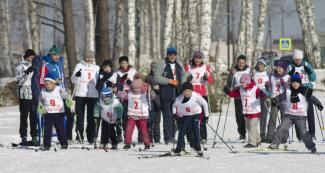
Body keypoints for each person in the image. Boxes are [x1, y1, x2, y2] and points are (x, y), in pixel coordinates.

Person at [268, 73, 322, 153]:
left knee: (303, 133)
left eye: (297, 83)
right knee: (281, 128)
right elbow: (281, 97)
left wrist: (318, 104)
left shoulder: (304, 91)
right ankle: (275, 143)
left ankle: (312, 147)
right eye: (293, 83)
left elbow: (312, 98)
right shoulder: (288, 91)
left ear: (300, 83)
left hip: (300, 116)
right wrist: (275, 100)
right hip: (289, 115)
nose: (295, 85)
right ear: (291, 83)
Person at [39, 45, 75, 142]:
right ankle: (50, 138)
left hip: (63, 92)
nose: (57, 57)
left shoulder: (60, 63)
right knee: (56, 118)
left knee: (70, 115)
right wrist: (54, 81)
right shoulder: (46, 65)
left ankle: (68, 137)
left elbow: (63, 76)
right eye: (55, 55)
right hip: (53, 95)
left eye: (58, 55)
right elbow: (42, 81)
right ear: (50, 55)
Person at [154, 47, 188, 144]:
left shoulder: (179, 63)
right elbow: (156, 77)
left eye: (174, 54)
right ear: (167, 55)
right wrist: (169, 81)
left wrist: (185, 79)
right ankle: (168, 138)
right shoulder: (162, 63)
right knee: (168, 116)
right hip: (166, 94)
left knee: (177, 116)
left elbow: (184, 75)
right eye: (170, 54)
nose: (172, 56)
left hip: (178, 93)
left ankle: (173, 136)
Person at [225, 74, 266, 147]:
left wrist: (262, 94)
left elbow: (263, 95)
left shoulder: (254, 89)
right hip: (246, 111)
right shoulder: (241, 90)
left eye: (243, 82)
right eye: (241, 82)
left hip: (254, 111)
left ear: (248, 82)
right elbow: (233, 95)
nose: (242, 84)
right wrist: (227, 91)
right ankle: (258, 139)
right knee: (248, 127)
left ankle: (252, 143)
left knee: (252, 127)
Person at [117, 73, 155, 149]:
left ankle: (147, 143)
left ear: (141, 87)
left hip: (142, 115)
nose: (136, 90)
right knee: (129, 128)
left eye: (137, 88)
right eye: (134, 88)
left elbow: (153, 97)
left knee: (144, 130)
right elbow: (122, 95)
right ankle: (128, 143)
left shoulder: (144, 93)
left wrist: (150, 91)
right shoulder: (130, 93)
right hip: (132, 114)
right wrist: (117, 91)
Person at [172, 82, 209, 155]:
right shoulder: (179, 98)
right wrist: (174, 114)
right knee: (182, 131)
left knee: (196, 130)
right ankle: (178, 148)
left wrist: (206, 115)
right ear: (183, 92)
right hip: (186, 115)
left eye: (189, 91)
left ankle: (198, 147)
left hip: (196, 113)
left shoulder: (196, 96)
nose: (187, 93)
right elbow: (173, 106)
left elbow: (204, 103)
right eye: (185, 91)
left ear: (192, 91)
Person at [71, 51, 100, 144]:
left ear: (93, 59)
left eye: (91, 58)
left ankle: (90, 136)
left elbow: (100, 80)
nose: (89, 60)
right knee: (80, 116)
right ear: (84, 58)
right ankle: (79, 135)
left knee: (91, 117)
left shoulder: (97, 68)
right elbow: (73, 80)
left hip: (93, 94)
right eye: (87, 58)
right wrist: (77, 75)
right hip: (80, 94)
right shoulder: (79, 66)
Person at [287, 49, 317, 139]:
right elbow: (287, 79)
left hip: (307, 89)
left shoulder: (307, 64)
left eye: (299, 59)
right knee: (298, 112)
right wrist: (290, 75)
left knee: (309, 112)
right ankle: (300, 134)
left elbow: (313, 78)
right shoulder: (290, 66)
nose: (298, 61)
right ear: (294, 59)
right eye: (296, 59)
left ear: (302, 58)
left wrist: (309, 72)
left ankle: (312, 133)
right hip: (296, 91)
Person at [184, 51, 213, 143]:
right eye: (196, 58)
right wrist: (187, 79)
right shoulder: (188, 67)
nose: (197, 60)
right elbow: (182, 78)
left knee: (203, 116)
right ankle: (191, 136)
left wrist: (206, 78)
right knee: (191, 115)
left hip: (203, 94)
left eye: (200, 58)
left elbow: (211, 80)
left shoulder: (205, 67)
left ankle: (203, 136)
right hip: (191, 95)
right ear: (193, 58)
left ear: (202, 59)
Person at [37, 74, 71, 151]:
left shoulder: (59, 89)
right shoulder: (43, 91)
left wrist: (69, 100)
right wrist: (40, 107)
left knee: (60, 129)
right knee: (47, 129)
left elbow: (66, 96)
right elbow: (40, 101)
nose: (48, 86)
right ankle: (46, 145)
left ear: (54, 83)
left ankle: (64, 143)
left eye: (50, 84)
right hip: (48, 113)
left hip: (58, 112)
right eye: (46, 84)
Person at [224, 55, 251, 140]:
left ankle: (251, 132)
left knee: (248, 115)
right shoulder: (234, 71)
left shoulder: (249, 70)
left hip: (247, 95)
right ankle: (242, 133)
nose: (241, 64)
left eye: (242, 63)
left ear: (245, 63)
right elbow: (229, 85)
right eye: (239, 62)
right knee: (239, 116)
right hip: (237, 96)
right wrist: (231, 74)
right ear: (237, 62)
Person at [15, 49, 38, 146]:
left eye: (33, 57)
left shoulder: (35, 65)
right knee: (24, 117)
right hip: (24, 94)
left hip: (33, 94)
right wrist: (26, 72)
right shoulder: (20, 66)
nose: (32, 59)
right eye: (31, 57)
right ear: (26, 57)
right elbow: (18, 81)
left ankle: (34, 137)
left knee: (34, 117)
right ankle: (23, 136)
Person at [264, 61, 290, 143]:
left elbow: (289, 89)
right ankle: (269, 137)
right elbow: (269, 88)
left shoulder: (287, 77)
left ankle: (283, 137)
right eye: (277, 67)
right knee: (272, 119)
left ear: (284, 69)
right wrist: (267, 86)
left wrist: (284, 84)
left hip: (283, 100)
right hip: (274, 99)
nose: (278, 69)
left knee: (284, 120)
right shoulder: (272, 76)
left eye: (280, 68)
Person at [115, 56, 137, 142]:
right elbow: (115, 84)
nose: (123, 65)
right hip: (120, 96)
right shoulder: (117, 73)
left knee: (128, 116)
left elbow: (137, 83)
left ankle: (127, 135)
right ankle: (119, 134)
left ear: (127, 63)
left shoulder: (133, 71)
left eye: (125, 63)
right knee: (120, 116)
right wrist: (121, 81)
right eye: (122, 63)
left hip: (130, 96)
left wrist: (130, 82)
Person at [251, 58, 270, 142]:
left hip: (265, 96)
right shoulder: (254, 73)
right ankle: (254, 134)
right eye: (258, 64)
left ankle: (263, 134)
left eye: (261, 64)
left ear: (264, 65)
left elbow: (271, 85)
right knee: (255, 116)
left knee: (264, 116)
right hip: (255, 97)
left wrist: (268, 92)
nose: (260, 65)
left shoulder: (268, 73)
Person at [145, 61, 162, 144]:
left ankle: (157, 138)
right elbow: (145, 87)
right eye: (153, 67)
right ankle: (150, 138)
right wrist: (151, 88)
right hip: (151, 100)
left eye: (156, 67)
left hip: (159, 100)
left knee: (157, 121)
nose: (154, 68)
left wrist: (160, 87)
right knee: (150, 120)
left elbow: (164, 86)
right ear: (151, 68)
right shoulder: (148, 77)